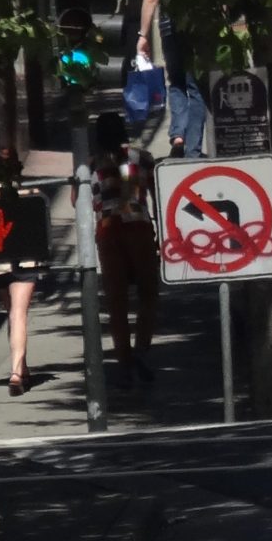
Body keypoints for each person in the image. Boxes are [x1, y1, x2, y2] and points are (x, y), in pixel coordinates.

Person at [91, 110, 160, 385]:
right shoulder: (141, 158)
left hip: (108, 231)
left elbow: (77, 199)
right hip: (139, 227)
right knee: (149, 293)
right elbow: (157, 192)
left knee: (116, 301)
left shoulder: (92, 164)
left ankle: (123, 360)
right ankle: (142, 347)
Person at [0, 144, 38, 396]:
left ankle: (20, 368)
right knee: (18, 314)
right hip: (25, 260)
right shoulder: (29, 194)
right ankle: (17, 370)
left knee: (12, 312)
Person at [134, 0, 208, 158]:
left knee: (176, 81)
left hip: (169, 26)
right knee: (196, 88)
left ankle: (177, 137)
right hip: (197, 23)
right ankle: (193, 150)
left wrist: (143, 35)